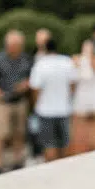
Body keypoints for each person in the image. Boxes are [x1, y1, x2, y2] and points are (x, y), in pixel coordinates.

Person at [0, 29, 33, 172]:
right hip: (3, 102)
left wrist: (26, 84)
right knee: (0, 134)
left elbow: (33, 76)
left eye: (17, 45)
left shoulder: (26, 59)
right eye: (12, 45)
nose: (14, 48)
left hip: (20, 101)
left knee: (19, 132)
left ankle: (17, 160)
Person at [26, 30, 76, 163]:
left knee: (49, 144)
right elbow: (72, 85)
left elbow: (35, 88)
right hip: (64, 109)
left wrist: (36, 105)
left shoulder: (40, 65)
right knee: (65, 143)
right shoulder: (67, 62)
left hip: (46, 110)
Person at [70, 39, 95, 153]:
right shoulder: (76, 60)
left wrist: (90, 58)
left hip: (94, 94)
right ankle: (82, 147)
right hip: (81, 95)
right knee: (80, 123)